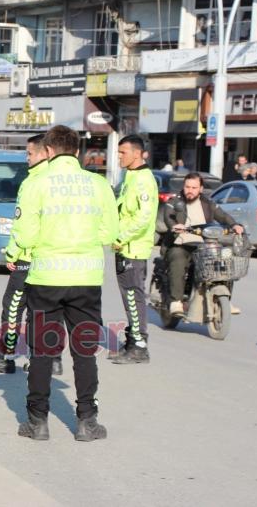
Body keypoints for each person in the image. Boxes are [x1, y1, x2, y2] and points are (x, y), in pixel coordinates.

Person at [11, 125, 118, 442]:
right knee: (84, 351)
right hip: (86, 277)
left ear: (47, 151)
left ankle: (37, 422)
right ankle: (87, 421)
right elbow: (109, 234)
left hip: (46, 277)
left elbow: (26, 235)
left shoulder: (36, 184)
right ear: (78, 151)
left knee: (42, 351)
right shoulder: (98, 184)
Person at [0, 134, 63, 375]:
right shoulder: (60, 181)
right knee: (44, 310)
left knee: (12, 307)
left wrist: (12, 253)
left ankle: (4, 355)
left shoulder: (33, 182)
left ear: (45, 153)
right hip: (53, 259)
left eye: (30, 153)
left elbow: (22, 225)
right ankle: (51, 359)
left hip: (29, 256)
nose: (27, 158)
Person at [163, 172, 244, 316]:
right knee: (178, 257)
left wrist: (235, 225)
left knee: (224, 260)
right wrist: (175, 225)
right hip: (181, 243)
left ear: (200, 189)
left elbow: (223, 215)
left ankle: (224, 298)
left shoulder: (208, 203)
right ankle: (176, 301)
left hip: (204, 244)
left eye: (194, 187)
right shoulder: (176, 201)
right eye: (187, 187)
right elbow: (168, 215)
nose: (190, 190)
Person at [111, 136, 158, 365]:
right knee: (128, 296)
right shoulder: (130, 175)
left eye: (123, 153)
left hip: (133, 248)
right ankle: (132, 341)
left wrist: (121, 237)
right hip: (124, 247)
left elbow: (144, 217)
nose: (119, 156)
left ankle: (139, 346)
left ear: (137, 154)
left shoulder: (143, 180)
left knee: (133, 296)